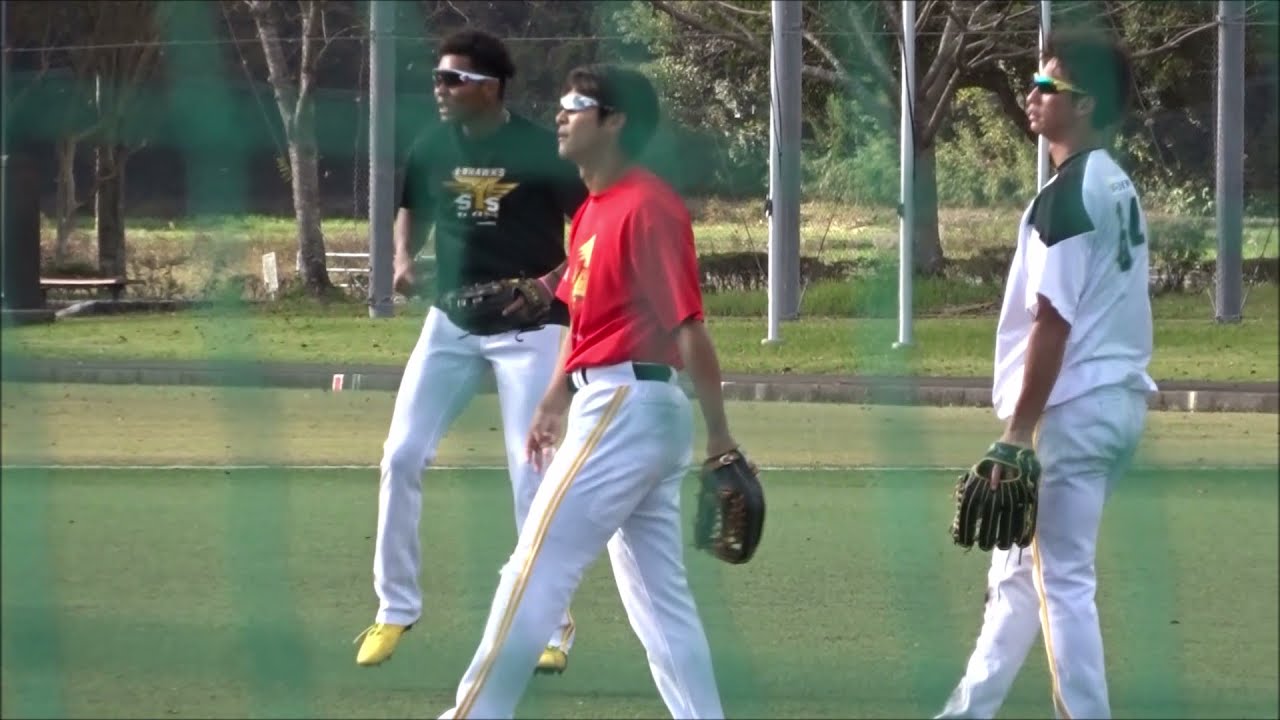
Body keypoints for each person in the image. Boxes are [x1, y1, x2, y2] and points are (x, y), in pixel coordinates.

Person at [436, 64, 736, 720]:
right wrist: (554, 397)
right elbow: (581, 315)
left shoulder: (648, 205)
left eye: (577, 104)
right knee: (662, 606)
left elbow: (688, 326)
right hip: (620, 406)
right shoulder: (595, 211)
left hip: (628, 406)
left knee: (533, 568)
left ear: (616, 121)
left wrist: (721, 438)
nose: (561, 114)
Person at [935, 30, 1158, 720]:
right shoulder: (1114, 183)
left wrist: (1015, 433)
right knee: (1015, 578)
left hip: (1073, 408)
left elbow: (1052, 321)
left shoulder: (1068, 196)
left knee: (1061, 579)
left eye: (1047, 85)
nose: (1031, 94)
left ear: (1084, 103)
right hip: (1112, 401)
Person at [355, 28, 587, 674]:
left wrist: (550, 286)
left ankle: (552, 626)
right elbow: (411, 207)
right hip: (452, 321)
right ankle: (395, 609)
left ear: (491, 88)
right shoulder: (433, 146)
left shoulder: (540, 149)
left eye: (454, 79)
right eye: (438, 77)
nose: (440, 88)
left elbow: (590, 231)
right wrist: (403, 257)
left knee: (531, 471)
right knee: (401, 455)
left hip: (528, 326)